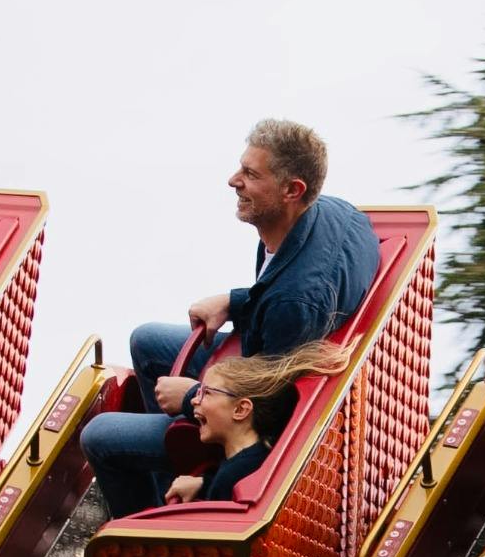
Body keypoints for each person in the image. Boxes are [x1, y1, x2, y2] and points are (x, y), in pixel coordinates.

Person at [81, 120, 379, 518]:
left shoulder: (295, 305)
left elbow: (266, 412)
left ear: (293, 190)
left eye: (251, 175)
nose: (232, 181)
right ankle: (178, 467)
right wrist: (234, 301)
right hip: (272, 352)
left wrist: (192, 397)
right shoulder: (336, 212)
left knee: (100, 436)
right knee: (147, 339)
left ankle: (152, 532)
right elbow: (288, 289)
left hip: (264, 403)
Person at [161, 340, 347, 506]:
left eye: (206, 393)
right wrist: (204, 484)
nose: (194, 400)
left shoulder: (230, 477)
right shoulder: (261, 457)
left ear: (241, 409)